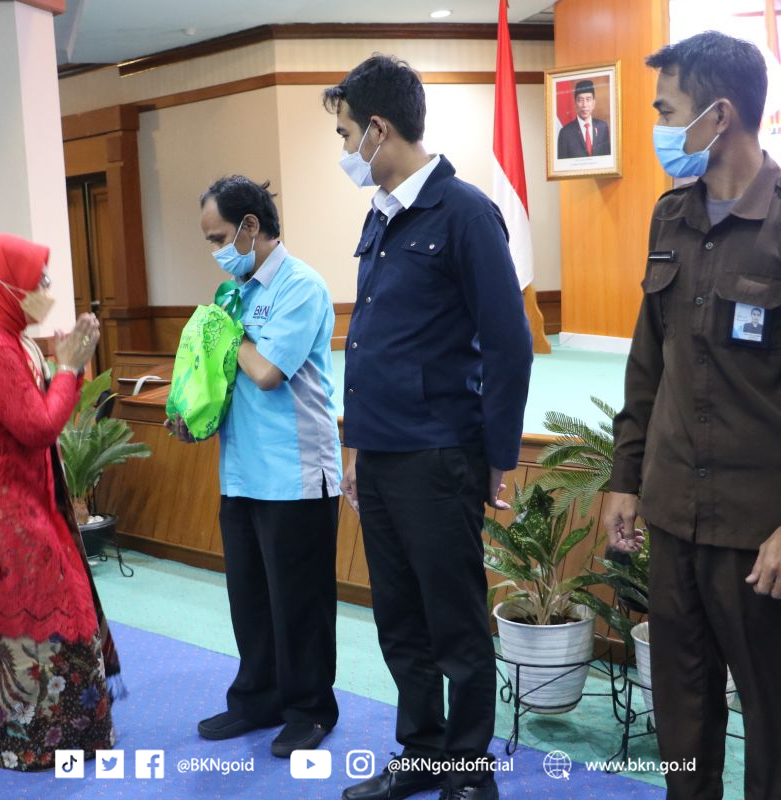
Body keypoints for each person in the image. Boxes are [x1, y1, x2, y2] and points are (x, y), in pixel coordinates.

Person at [603, 32, 781, 800]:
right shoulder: (670, 217)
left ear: (717, 116)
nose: (658, 128)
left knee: (771, 726)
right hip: (672, 516)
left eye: (666, 111)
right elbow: (648, 365)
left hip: (760, 533)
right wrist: (625, 478)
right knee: (681, 719)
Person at [323, 55, 533, 800]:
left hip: (439, 453)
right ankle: (423, 751)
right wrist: (355, 447)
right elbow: (371, 345)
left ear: (378, 129)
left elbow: (508, 344)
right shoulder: (380, 216)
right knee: (400, 619)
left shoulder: (465, 213)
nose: (345, 149)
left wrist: (498, 455)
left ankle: (469, 771)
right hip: (380, 453)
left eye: (346, 134)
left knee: (455, 623)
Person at [0, 233, 124, 772]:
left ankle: (63, 732)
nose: (48, 290)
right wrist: (69, 368)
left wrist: (63, 364)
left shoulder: (9, 337)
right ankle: (35, 741)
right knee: (39, 605)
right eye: (40, 281)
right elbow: (37, 427)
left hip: (13, 495)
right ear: (7, 286)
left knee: (58, 598)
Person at [167, 176, 342, 758]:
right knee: (249, 598)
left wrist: (227, 330)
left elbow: (266, 372)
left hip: (295, 474)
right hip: (241, 471)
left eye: (219, 238)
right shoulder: (233, 293)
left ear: (250, 226)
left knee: (299, 603)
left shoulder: (301, 285)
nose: (215, 251)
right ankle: (256, 698)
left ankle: (309, 710)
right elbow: (220, 376)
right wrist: (191, 415)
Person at [557, 79, 611, 158]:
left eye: (588, 99)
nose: (584, 105)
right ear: (575, 103)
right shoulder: (565, 133)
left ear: (593, 103)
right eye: (580, 100)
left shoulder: (603, 127)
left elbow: (608, 158)